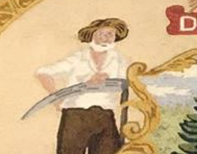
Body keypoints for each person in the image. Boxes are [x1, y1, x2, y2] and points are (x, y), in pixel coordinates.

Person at [35, 17, 130, 154]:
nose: (106, 38)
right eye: (102, 34)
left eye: (110, 34)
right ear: (92, 35)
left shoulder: (119, 60)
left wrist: (110, 81)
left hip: (104, 116)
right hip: (76, 116)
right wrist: (56, 97)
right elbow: (42, 73)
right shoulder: (78, 58)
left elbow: (129, 82)